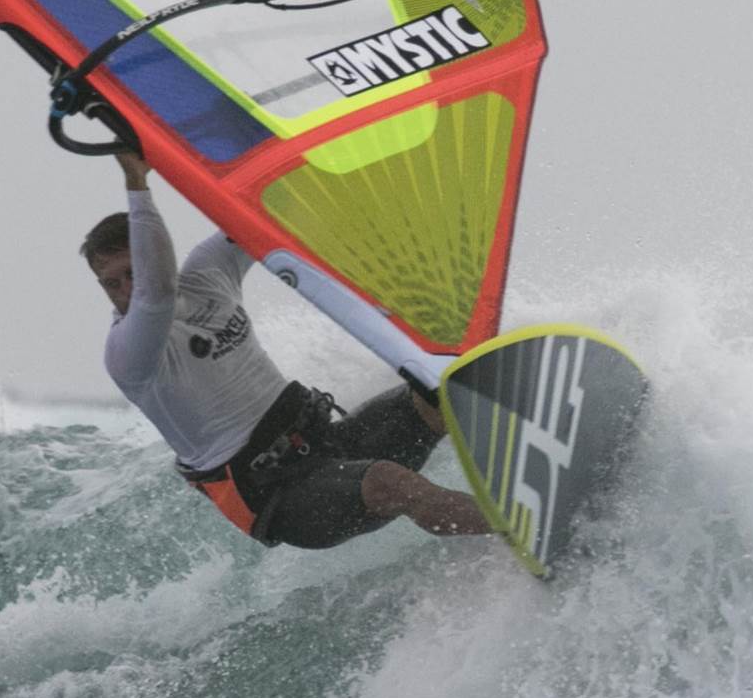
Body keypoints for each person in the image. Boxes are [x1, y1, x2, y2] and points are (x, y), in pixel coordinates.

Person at [87, 144, 490, 547]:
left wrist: (328, 150)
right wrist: (136, 181)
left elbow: (266, 208)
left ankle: (534, 459)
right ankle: (521, 531)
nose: (126, 288)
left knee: (445, 389)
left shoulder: (206, 274)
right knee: (390, 482)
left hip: (328, 446)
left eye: (132, 271)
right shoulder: (129, 354)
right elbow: (154, 295)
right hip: (279, 499)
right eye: (112, 282)